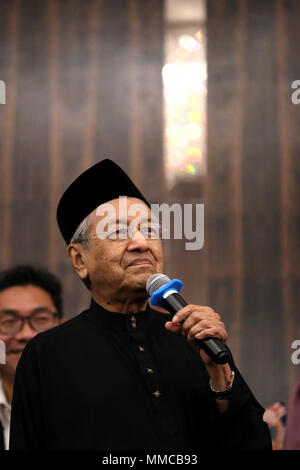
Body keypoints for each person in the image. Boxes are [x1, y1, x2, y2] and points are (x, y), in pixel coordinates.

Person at [9, 159, 272, 450]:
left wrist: (221, 378)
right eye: (118, 232)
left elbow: (255, 445)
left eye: (149, 230)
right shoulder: (46, 355)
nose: (140, 243)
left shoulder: (196, 339)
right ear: (79, 259)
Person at [0, 265, 63, 450]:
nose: (25, 335)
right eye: (8, 322)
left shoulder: (93, 400)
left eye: (40, 319)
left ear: (63, 326)